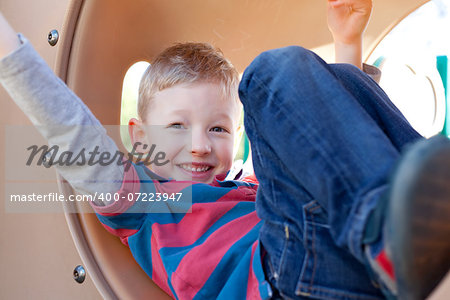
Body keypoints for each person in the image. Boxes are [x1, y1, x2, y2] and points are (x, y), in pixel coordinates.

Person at [1, 0, 449, 299]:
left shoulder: (250, 188)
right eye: (177, 126)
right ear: (139, 138)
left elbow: (333, 159)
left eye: (217, 128)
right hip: (284, 279)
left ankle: (409, 223)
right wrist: (10, 55)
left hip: (349, 269)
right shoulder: (146, 201)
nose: (199, 145)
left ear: (235, 135)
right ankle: (388, 229)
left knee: (344, 81)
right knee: (267, 75)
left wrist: (347, 42)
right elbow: (71, 132)